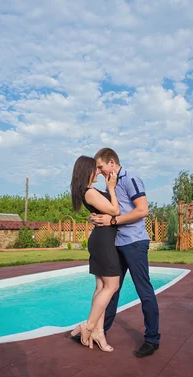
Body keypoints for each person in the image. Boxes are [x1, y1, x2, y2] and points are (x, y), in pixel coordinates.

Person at [72, 148, 160, 358]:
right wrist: (99, 218)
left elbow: (142, 210)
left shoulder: (131, 179)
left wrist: (112, 220)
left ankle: (151, 339)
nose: (99, 171)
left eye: (100, 167)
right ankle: (98, 331)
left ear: (111, 162)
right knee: (112, 290)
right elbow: (105, 207)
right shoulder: (107, 183)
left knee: (143, 290)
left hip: (135, 242)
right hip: (115, 243)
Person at [69, 155, 121, 352]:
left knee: (101, 287)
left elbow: (105, 211)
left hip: (102, 239)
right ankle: (88, 326)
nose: (98, 171)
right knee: (112, 285)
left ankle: (98, 331)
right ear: (86, 171)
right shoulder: (89, 191)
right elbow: (115, 210)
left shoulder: (91, 191)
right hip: (103, 242)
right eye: (95, 168)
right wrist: (111, 189)